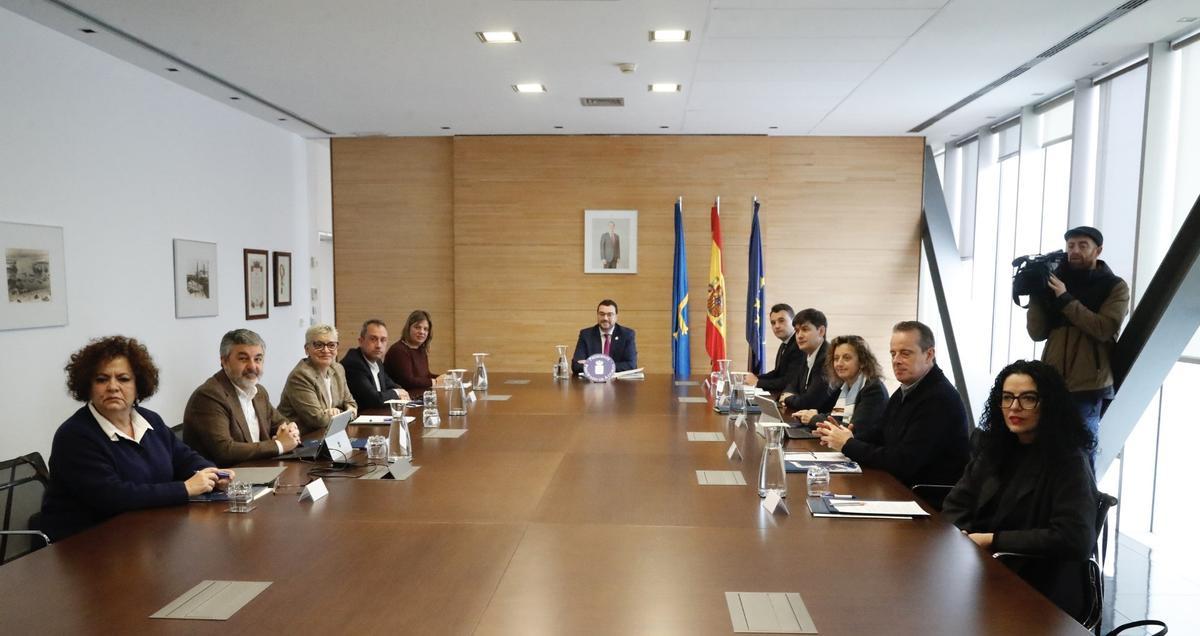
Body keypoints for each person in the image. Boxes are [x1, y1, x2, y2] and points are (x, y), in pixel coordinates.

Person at [40, 336, 233, 542]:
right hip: (87, 543)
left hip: (146, 533)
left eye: (123, 379)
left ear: (138, 384)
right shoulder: (75, 436)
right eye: (101, 379)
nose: (113, 387)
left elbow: (183, 457)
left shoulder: (149, 420)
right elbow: (113, 497)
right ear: (87, 386)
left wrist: (212, 474)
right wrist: (184, 489)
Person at [942, 360, 1098, 559]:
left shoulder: (1069, 460)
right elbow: (956, 504)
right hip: (979, 562)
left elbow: (1075, 537)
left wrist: (992, 540)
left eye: (1028, 398)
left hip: (1035, 575)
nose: (1014, 407)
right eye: (1007, 398)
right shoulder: (994, 446)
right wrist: (963, 535)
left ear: (1050, 403)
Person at [816, 321, 969, 489]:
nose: (896, 360)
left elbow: (904, 462)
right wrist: (846, 436)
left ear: (929, 354)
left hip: (923, 498)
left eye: (905, 353)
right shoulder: (907, 389)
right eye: (893, 353)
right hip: (897, 485)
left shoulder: (939, 398)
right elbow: (881, 434)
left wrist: (849, 444)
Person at [1026, 226, 1130, 450]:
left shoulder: (1114, 286)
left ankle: (1085, 487)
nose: (1075, 251)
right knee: (1047, 451)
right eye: (1071, 245)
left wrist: (1065, 298)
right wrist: (1035, 292)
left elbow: (1104, 328)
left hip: (1088, 386)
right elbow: (1037, 333)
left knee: (1082, 452)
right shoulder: (1055, 280)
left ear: (1098, 250)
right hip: (1051, 381)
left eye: (1083, 246)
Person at [182, 329, 302, 465]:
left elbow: (281, 424)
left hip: (259, 469)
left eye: (258, 359)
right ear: (224, 361)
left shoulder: (259, 392)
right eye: (243, 359)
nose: (252, 366)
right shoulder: (209, 396)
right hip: (224, 478)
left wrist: (290, 431)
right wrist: (279, 445)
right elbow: (225, 451)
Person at [792, 335, 889, 439]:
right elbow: (837, 416)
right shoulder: (846, 386)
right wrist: (813, 415)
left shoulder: (873, 390)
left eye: (846, 358)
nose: (839, 363)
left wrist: (814, 419)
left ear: (862, 361)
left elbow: (853, 430)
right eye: (836, 358)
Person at [278, 324, 358, 434]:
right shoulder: (300, 376)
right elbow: (318, 420)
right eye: (318, 345)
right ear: (307, 349)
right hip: (302, 440)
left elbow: (351, 404)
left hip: (329, 434)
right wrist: (345, 412)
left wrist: (334, 413)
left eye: (331, 345)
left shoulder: (338, 369)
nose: (325, 350)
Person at [342, 319, 410, 408]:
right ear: (361, 341)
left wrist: (400, 390)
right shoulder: (354, 363)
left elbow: (390, 384)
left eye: (383, 340)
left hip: (376, 415)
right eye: (373, 339)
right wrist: (397, 392)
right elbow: (374, 400)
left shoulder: (377, 361)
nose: (378, 345)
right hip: (359, 418)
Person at [779, 308, 830, 413]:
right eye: (797, 331)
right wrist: (787, 394)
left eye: (805, 329)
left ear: (821, 331)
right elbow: (792, 384)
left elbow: (810, 402)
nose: (799, 336)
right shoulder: (805, 353)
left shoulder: (827, 358)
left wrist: (787, 399)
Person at [384, 310, 445, 395]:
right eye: (417, 327)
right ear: (408, 328)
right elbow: (408, 381)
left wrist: (443, 378)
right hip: (402, 400)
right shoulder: (398, 350)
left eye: (425, 329)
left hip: (418, 397)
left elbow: (425, 376)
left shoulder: (421, 349)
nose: (422, 332)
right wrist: (434, 382)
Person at [745, 303, 803, 394]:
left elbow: (789, 381)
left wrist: (758, 382)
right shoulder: (785, 344)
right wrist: (756, 378)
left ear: (794, 323)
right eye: (773, 323)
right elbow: (777, 373)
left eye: (781, 320)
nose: (777, 326)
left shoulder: (799, 345)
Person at [572, 299, 638, 374]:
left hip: (619, 384)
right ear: (597, 315)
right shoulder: (586, 335)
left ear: (616, 317)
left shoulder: (627, 334)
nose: (605, 318)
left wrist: (595, 365)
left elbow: (631, 365)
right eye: (602, 314)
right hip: (592, 383)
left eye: (609, 314)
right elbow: (576, 365)